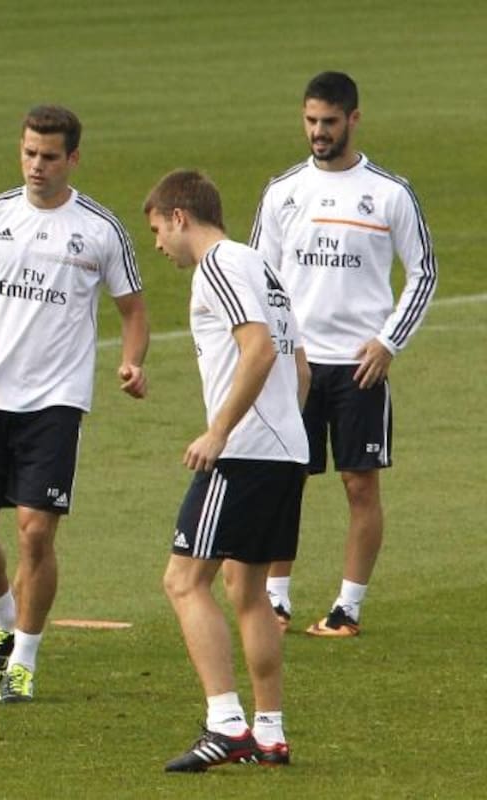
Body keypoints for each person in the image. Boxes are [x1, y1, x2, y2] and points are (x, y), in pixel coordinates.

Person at [0, 105, 149, 703]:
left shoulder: (100, 230)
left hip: (56, 401)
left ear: (72, 159)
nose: (36, 165)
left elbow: (132, 309)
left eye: (49, 156)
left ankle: (25, 659)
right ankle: (5, 621)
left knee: (34, 534)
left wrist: (133, 361)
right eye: (29, 152)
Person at [250, 71, 438, 637]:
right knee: (285, 479)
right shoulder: (283, 191)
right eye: (310, 121)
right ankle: (275, 599)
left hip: (360, 363)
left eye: (329, 122)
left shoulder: (389, 192)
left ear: (353, 120)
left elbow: (423, 272)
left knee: (359, 484)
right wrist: (277, 349)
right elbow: (260, 275)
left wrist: (388, 342)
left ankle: (347, 607)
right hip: (297, 364)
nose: (318, 132)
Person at [144, 169, 309, 771]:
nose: (159, 244)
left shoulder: (218, 266)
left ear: (180, 217)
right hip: (286, 448)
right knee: (249, 589)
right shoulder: (260, 266)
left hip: (244, 451)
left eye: (159, 229)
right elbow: (301, 367)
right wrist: (283, 426)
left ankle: (226, 724)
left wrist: (220, 431)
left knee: (184, 581)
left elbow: (260, 349)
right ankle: (269, 732)